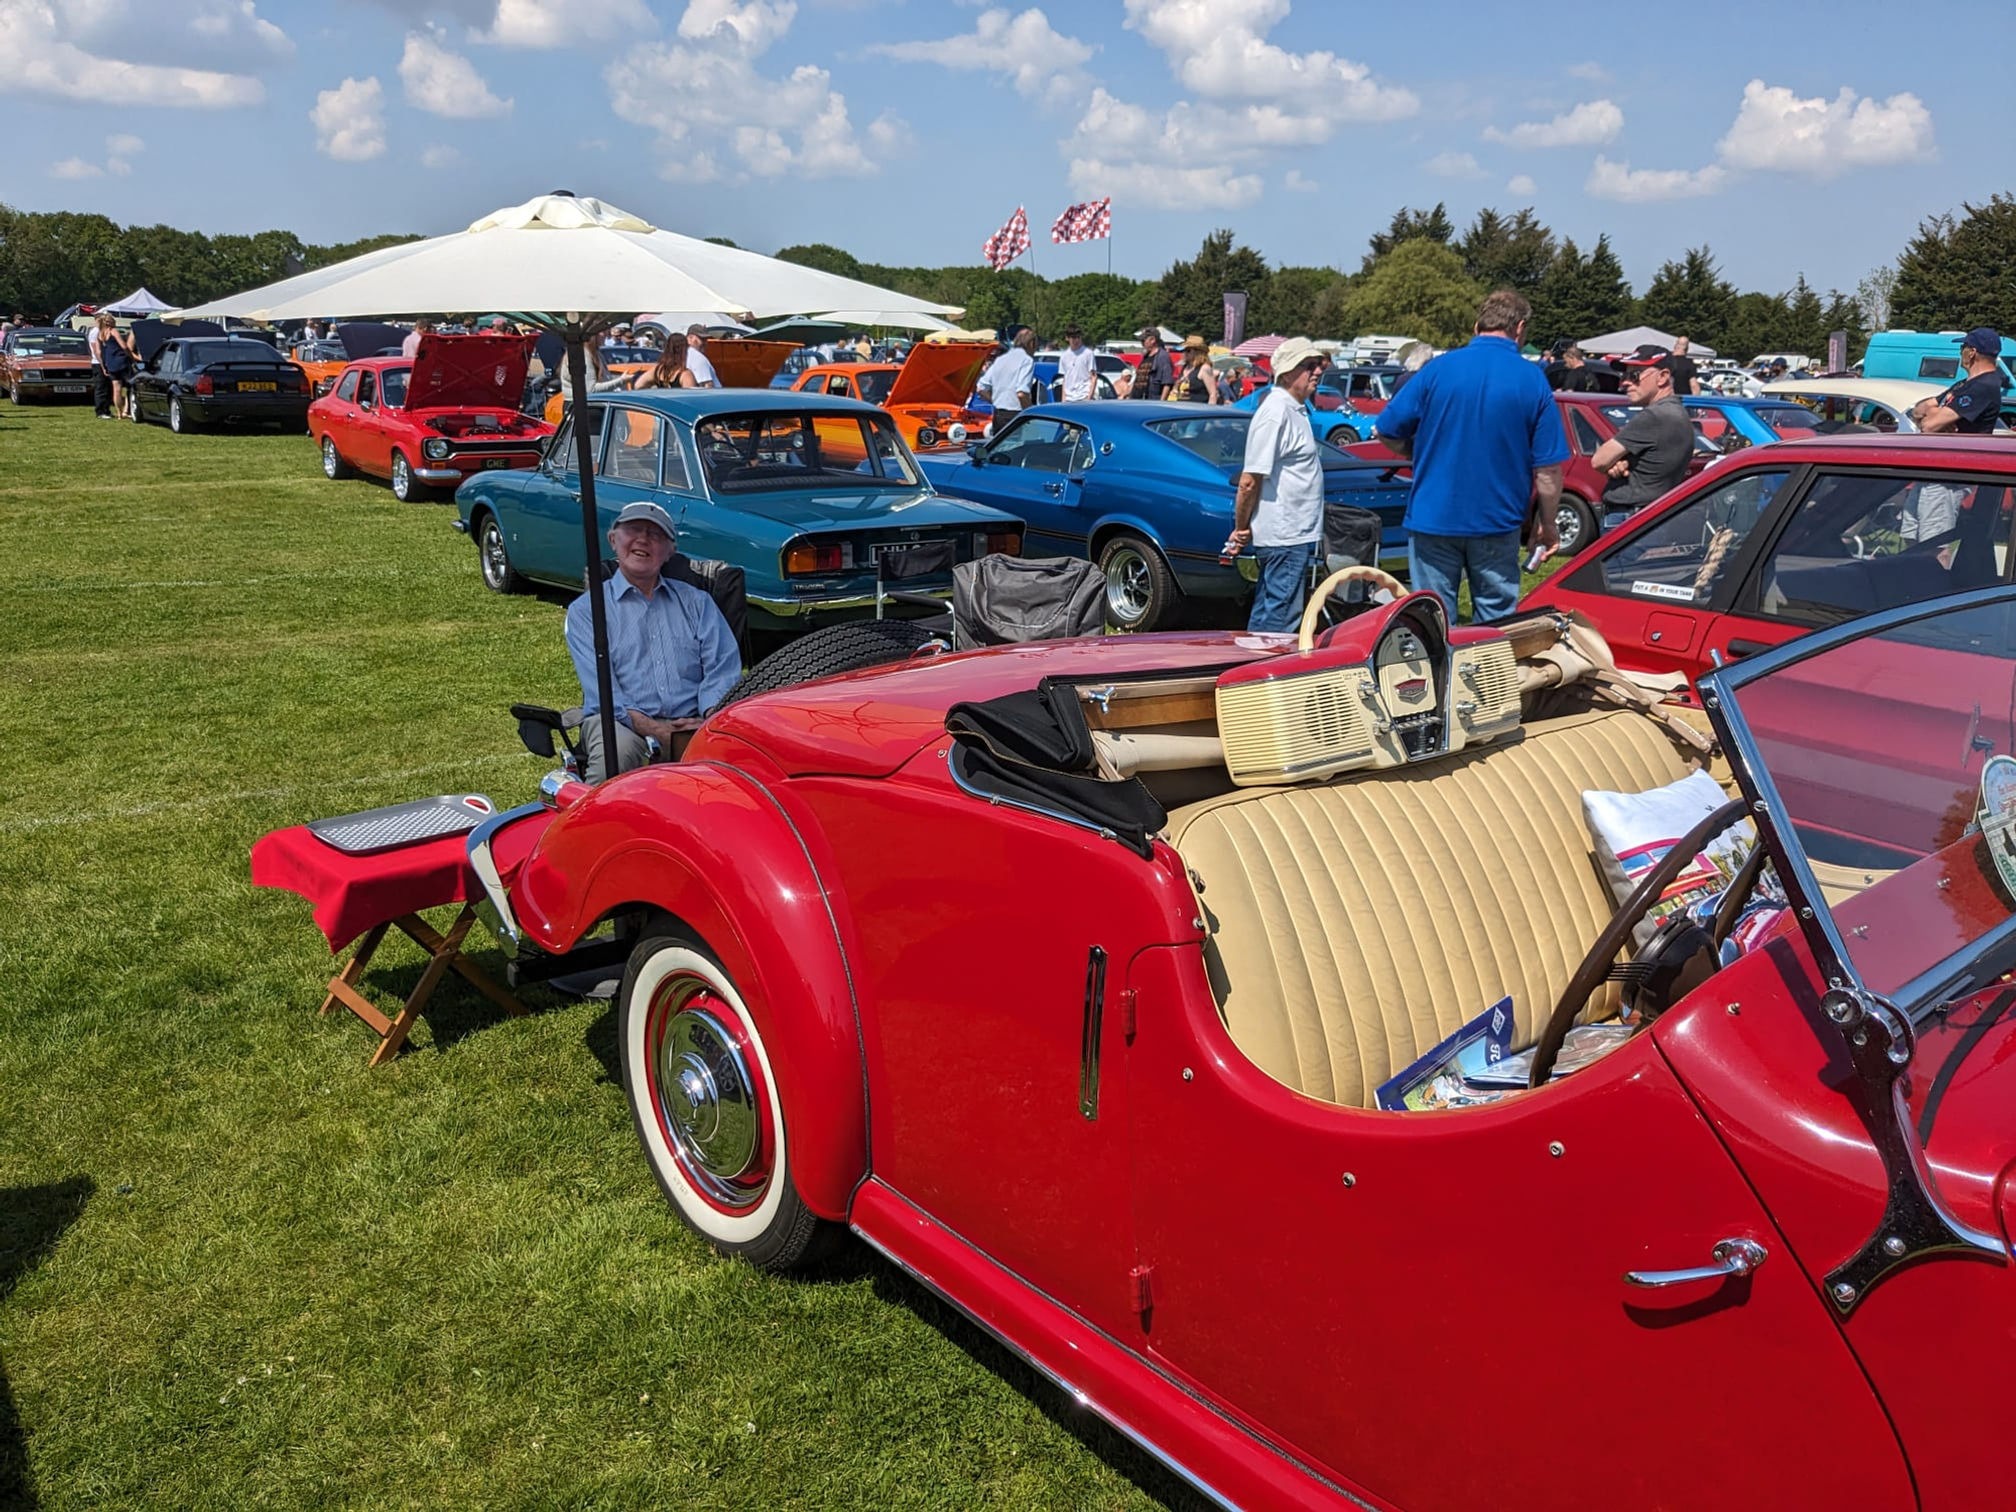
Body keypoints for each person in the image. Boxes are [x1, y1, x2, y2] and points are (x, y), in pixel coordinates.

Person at [1372, 290, 1567, 625]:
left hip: (1434, 514)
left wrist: (1419, 452)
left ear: (1477, 325)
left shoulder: (1437, 369)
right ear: (1520, 328)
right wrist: (1547, 524)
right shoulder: (1532, 379)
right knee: (1496, 622)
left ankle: (1440, 660)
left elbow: (1386, 429)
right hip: (1496, 519)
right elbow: (1548, 470)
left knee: (1433, 621)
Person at [564, 501, 742, 782]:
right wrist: (655, 730)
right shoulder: (588, 610)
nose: (643, 539)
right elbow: (602, 691)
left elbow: (722, 669)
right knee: (616, 755)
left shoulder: (698, 603)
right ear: (613, 540)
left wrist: (708, 718)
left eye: (656, 534)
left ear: (671, 550)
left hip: (695, 722)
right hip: (621, 722)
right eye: (633, 529)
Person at [1226, 336, 1327, 632]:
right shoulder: (1276, 412)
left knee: (1272, 614)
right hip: (1285, 536)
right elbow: (1249, 481)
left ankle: (1253, 659)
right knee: (1279, 623)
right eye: (1309, 365)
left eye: (1318, 365)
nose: (1317, 371)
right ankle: (1268, 662)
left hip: (1291, 535)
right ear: (1287, 373)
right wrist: (1241, 527)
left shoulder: (1293, 409)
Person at [1589, 350, 1694, 522]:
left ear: (1662, 377)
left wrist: (1612, 462)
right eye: (1624, 376)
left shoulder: (1654, 416)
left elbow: (1598, 460)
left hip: (1630, 516)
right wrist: (1618, 463)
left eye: (1634, 375)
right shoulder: (1677, 413)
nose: (1625, 382)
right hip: (1654, 514)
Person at [1911, 327, 2006, 435]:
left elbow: (1929, 426)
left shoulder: (1982, 387)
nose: (1960, 352)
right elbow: (1918, 411)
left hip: (1965, 445)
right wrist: (1938, 415)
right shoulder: (1964, 384)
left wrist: (1936, 416)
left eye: (1962, 347)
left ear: (1972, 352)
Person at [976, 329, 1036, 434]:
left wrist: (995, 401)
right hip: (1015, 414)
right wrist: (1031, 414)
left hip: (998, 415)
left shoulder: (1001, 359)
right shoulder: (1027, 360)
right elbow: (1022, 393)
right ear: (1031, 344)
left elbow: (980, 388)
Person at [631, 333, 701, 390]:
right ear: (684, 350)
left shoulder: (658, 370)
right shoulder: (685, 374)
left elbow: (638, 385)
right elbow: (690, 398)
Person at [1174, 335, 1223, 403]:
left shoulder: (1204, 368)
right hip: (1182, 407)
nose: (1184, 353)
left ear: (1198, 352)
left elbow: (1213, 394)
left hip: (1198, 408)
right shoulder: (1185, 367)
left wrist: (1209, 409)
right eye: (1183, 350)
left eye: (1188, 350)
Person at [1058, 324, 1098, 402]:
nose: (1076, 340)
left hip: (1084, 396)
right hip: (1069, 398)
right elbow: (1065, 379)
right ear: (1067, 338)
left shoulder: (1088, 353)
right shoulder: (1064, 356)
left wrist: (1089, 398)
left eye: (1078, 337)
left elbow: (1094, 377)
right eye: (1073, 337)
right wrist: (1063, 400)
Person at [1131, 327, 1173, 400]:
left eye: (1143, 340)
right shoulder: (1146, 356)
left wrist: (1161, 403)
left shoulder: (1163, 356)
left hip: (1151, 401)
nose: (1142, 343)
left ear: (1152, 340)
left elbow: (1167, 383)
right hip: (1137, 399)